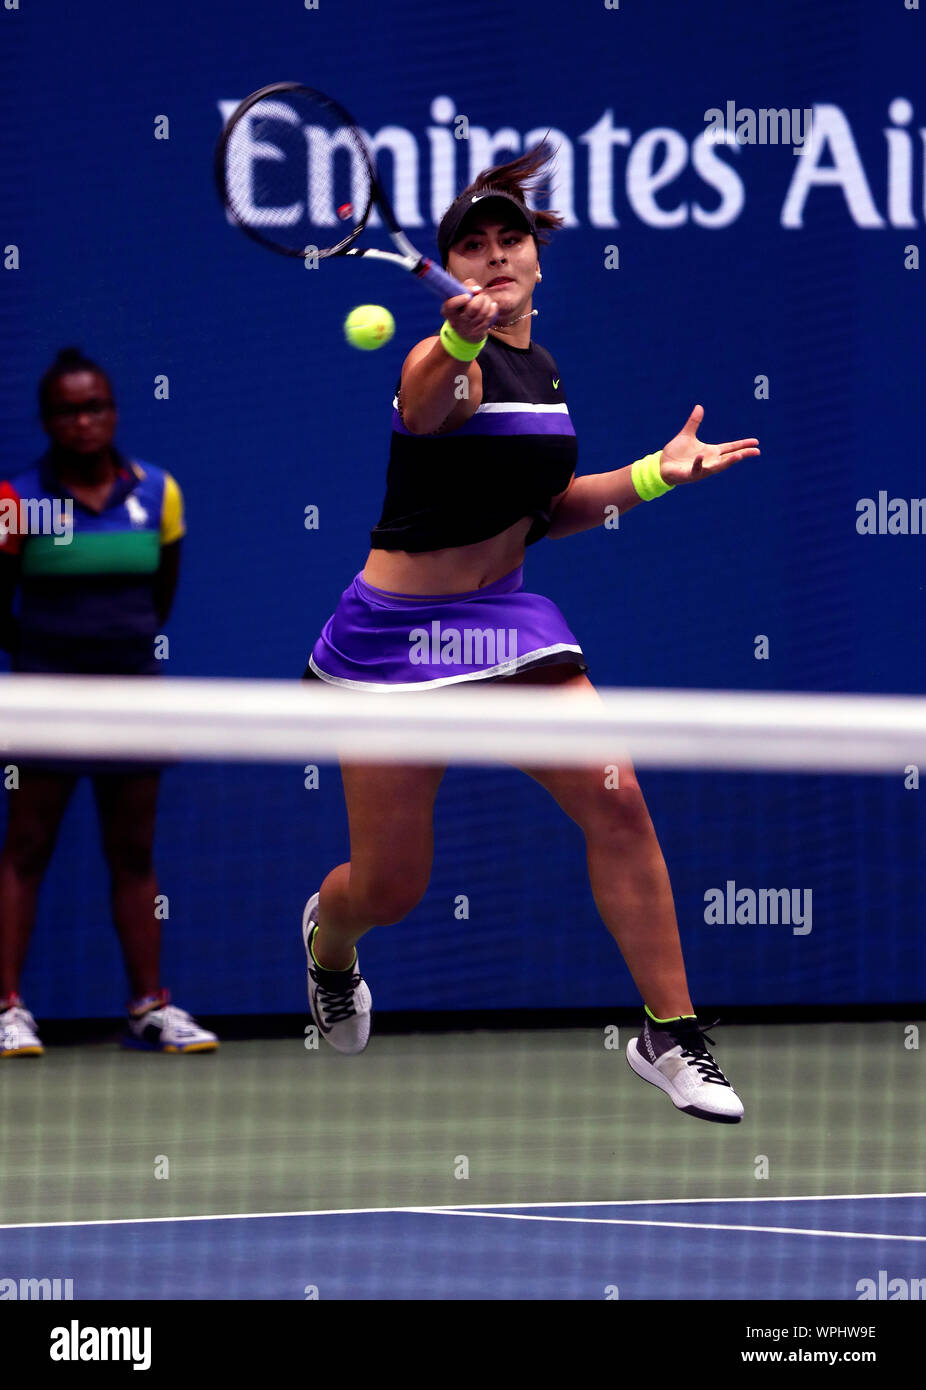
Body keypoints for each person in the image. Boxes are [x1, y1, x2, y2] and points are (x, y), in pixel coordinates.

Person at [300, 144, 759, 1123]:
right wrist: (457, 345)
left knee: (617, 797)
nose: (495, 253)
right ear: (450, 268)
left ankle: (669, 1034)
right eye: (472, 243)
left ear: (537, 257)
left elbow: (541, 508)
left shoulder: (543, 370)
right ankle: (328, 946)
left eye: (510, 237)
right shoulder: (442, 360)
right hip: (395, 642)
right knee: (387, 888)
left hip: (501, 629)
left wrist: (652, 475)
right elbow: (432, 401)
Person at [0, 348, 217, 1056]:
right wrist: (46, 659)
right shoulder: (17, 501)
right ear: (47, 419)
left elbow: (160, 599)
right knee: (26, 850)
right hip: (43, 698)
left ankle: (149, 1009)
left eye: (95, 406)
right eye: (68, 409)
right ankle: (8, 1009)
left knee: (133, 853)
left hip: (132, 697)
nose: (84, 420)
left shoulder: (159, 493)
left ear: (114, 411)